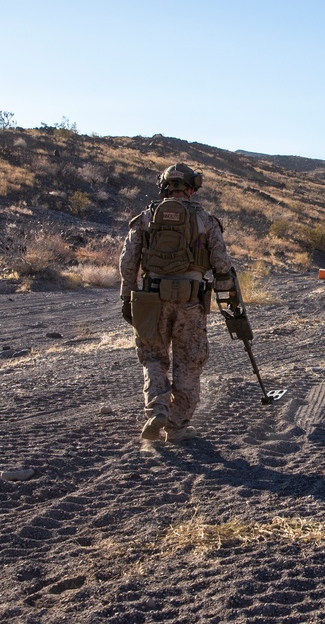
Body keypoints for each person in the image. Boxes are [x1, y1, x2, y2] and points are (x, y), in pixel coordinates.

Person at [118, 162, 235, 443]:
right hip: (190, 302)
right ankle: (177, 425)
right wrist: (228, 296)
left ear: (164, 187)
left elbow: (127, 262)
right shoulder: (205, 219)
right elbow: (221, 263)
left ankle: (157, 408)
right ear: (192, 188)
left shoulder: (146, 218)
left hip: (151, 300)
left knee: (154, 357)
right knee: (188, 362)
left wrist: (127, 297)